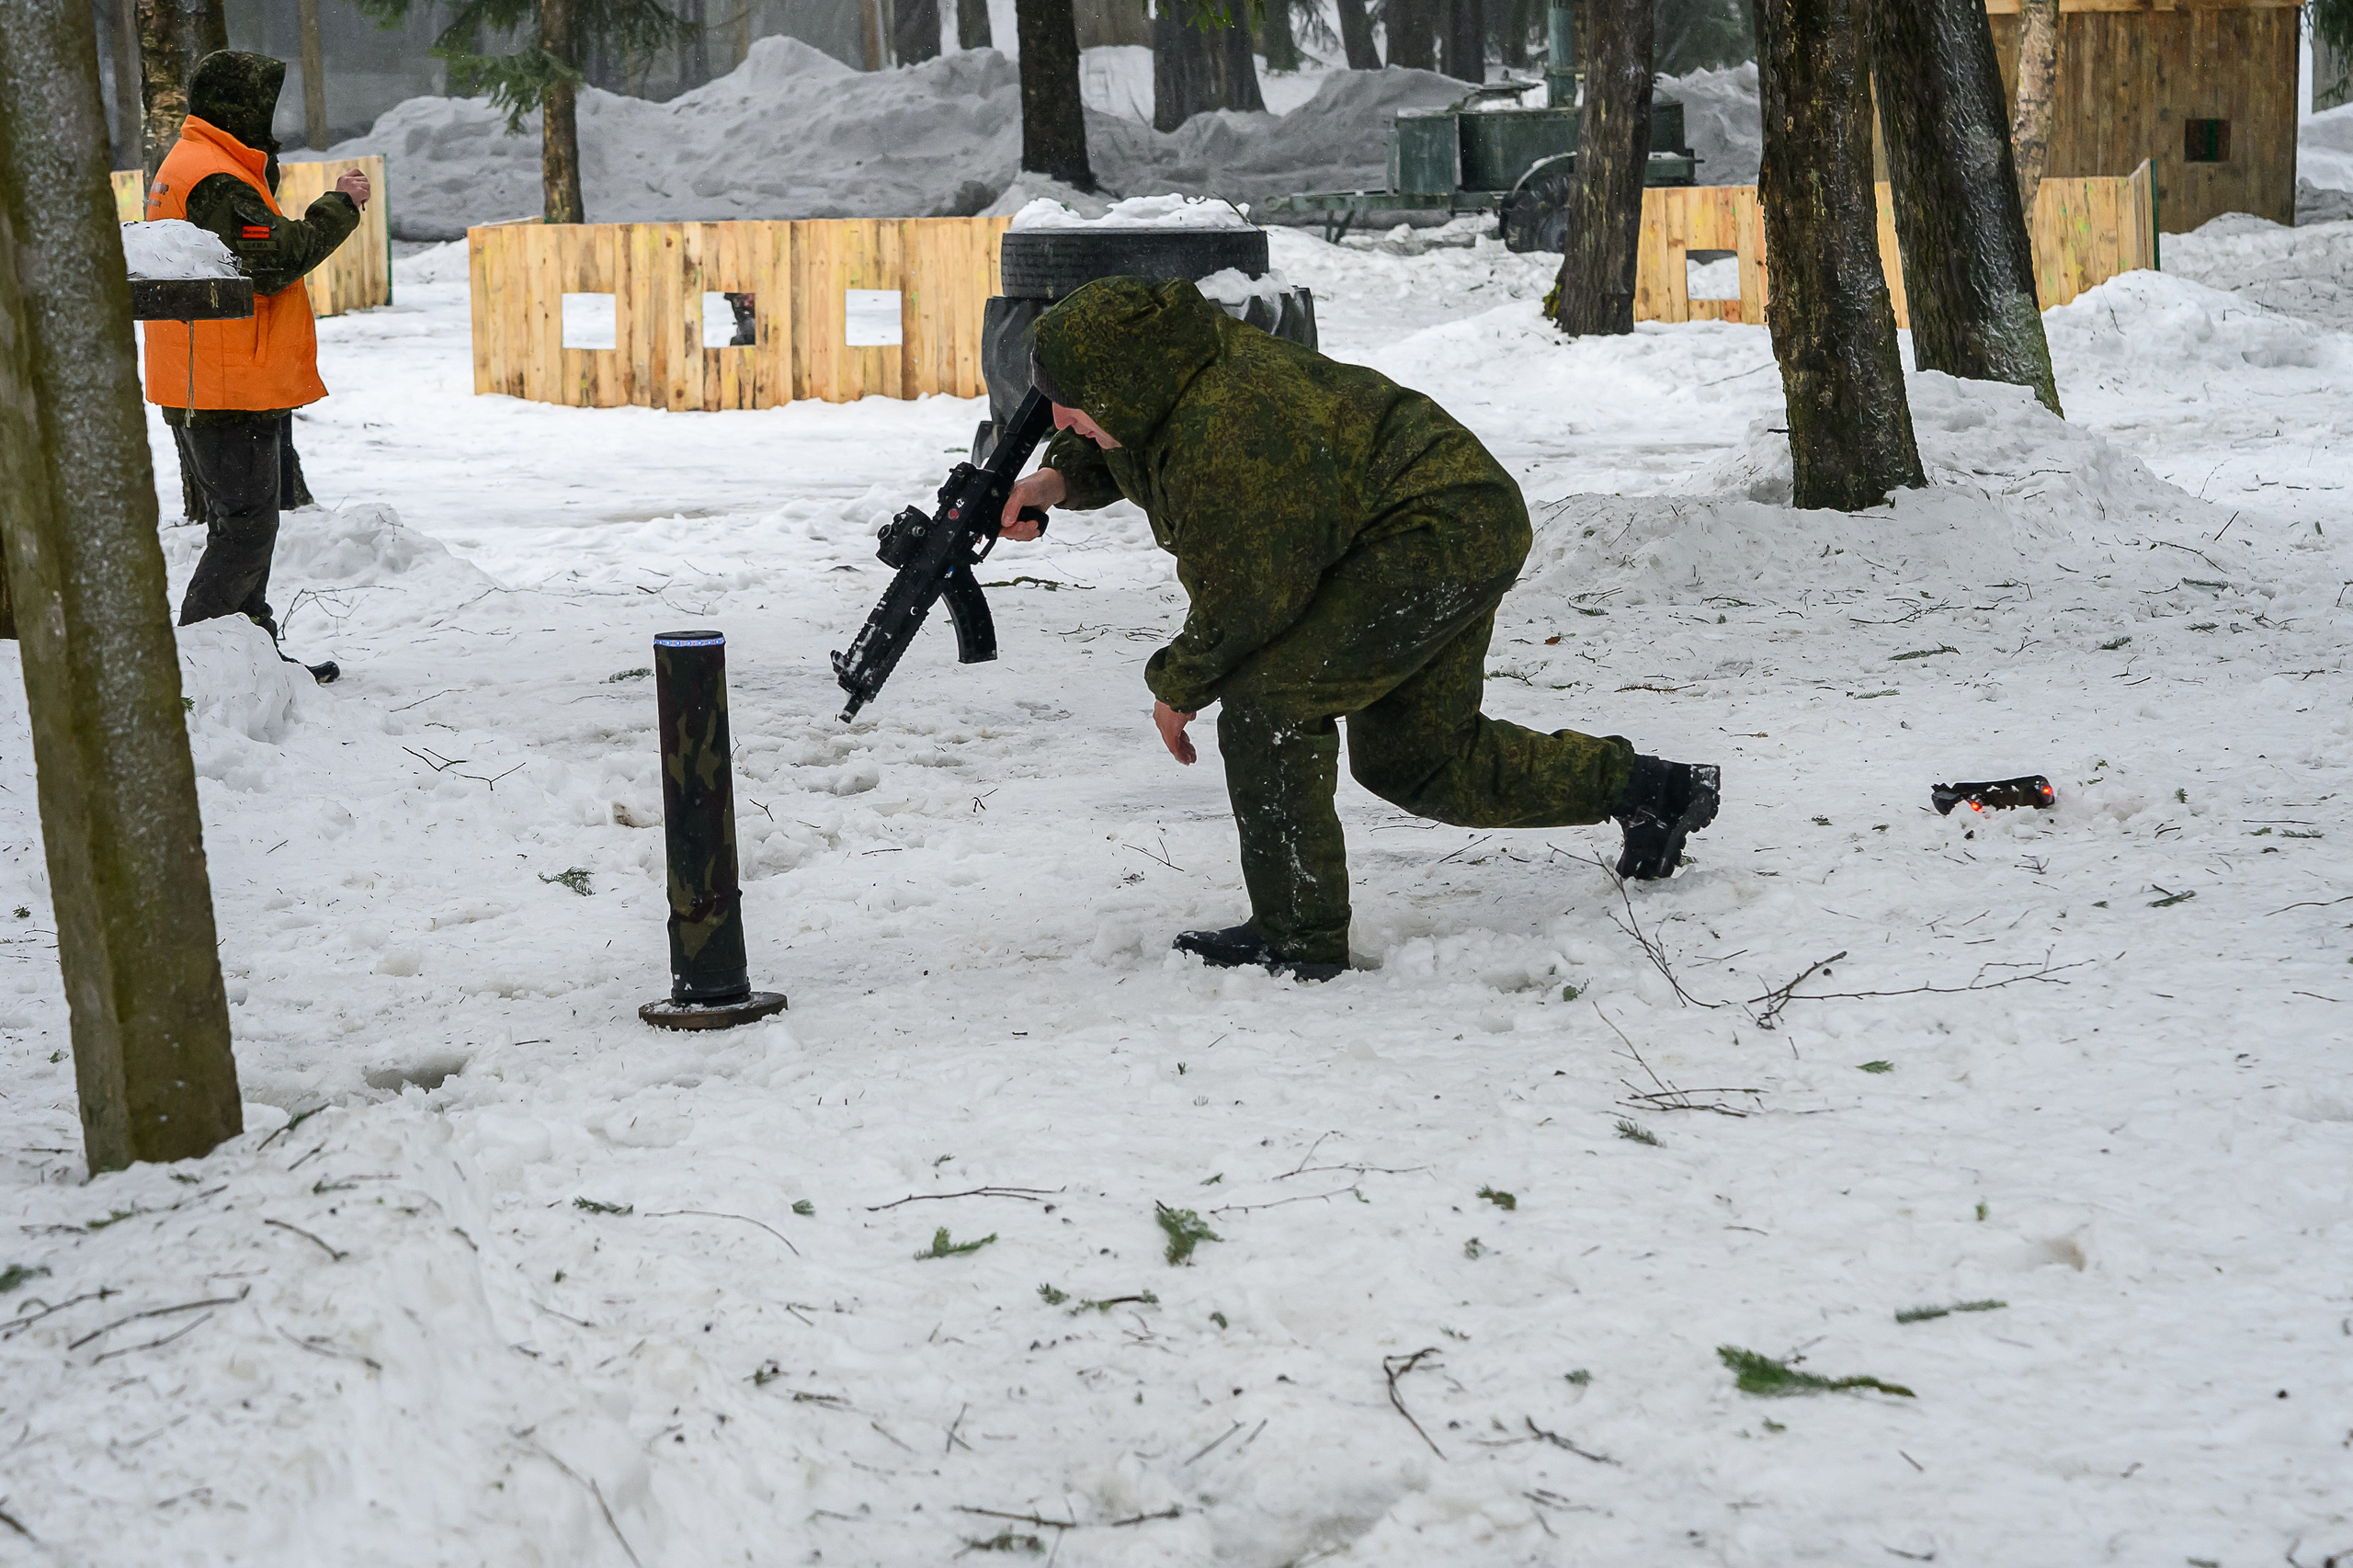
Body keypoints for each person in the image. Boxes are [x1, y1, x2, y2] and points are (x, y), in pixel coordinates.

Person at [1000, 276, 1720, 981]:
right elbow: (1129, 445)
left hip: (1438, 531)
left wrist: (1178, 684)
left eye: (1073, 406)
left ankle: (1297, 939)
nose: (1062, 422)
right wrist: (1052, 483)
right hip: (1419, 518)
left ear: (1124, 386)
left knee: (1268, 707)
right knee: (1418, 760)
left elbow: (1249, 596)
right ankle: (1651, 791)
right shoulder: (1171, 377)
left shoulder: (1228, 426)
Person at [143, 50, 370, 684]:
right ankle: (198, 669)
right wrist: (340, 206)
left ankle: (251, 663)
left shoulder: (200, 163)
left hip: (218, 376)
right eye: (263, 106)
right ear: (238, 109)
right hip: (222, 384)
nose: (271, 119)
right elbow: (275, 260)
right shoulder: (214, 177)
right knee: (244, 531)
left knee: (244, 526)